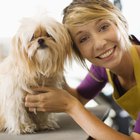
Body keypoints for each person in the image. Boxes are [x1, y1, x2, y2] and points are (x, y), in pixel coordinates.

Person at [25, 0, 140, 139]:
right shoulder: (103, 68)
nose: (100, 43)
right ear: (77, 51)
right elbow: (79, 97)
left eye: (104, 27)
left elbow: (73, 102)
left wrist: (71, 106)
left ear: (120, 22)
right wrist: (51, 63)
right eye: (84, 39)